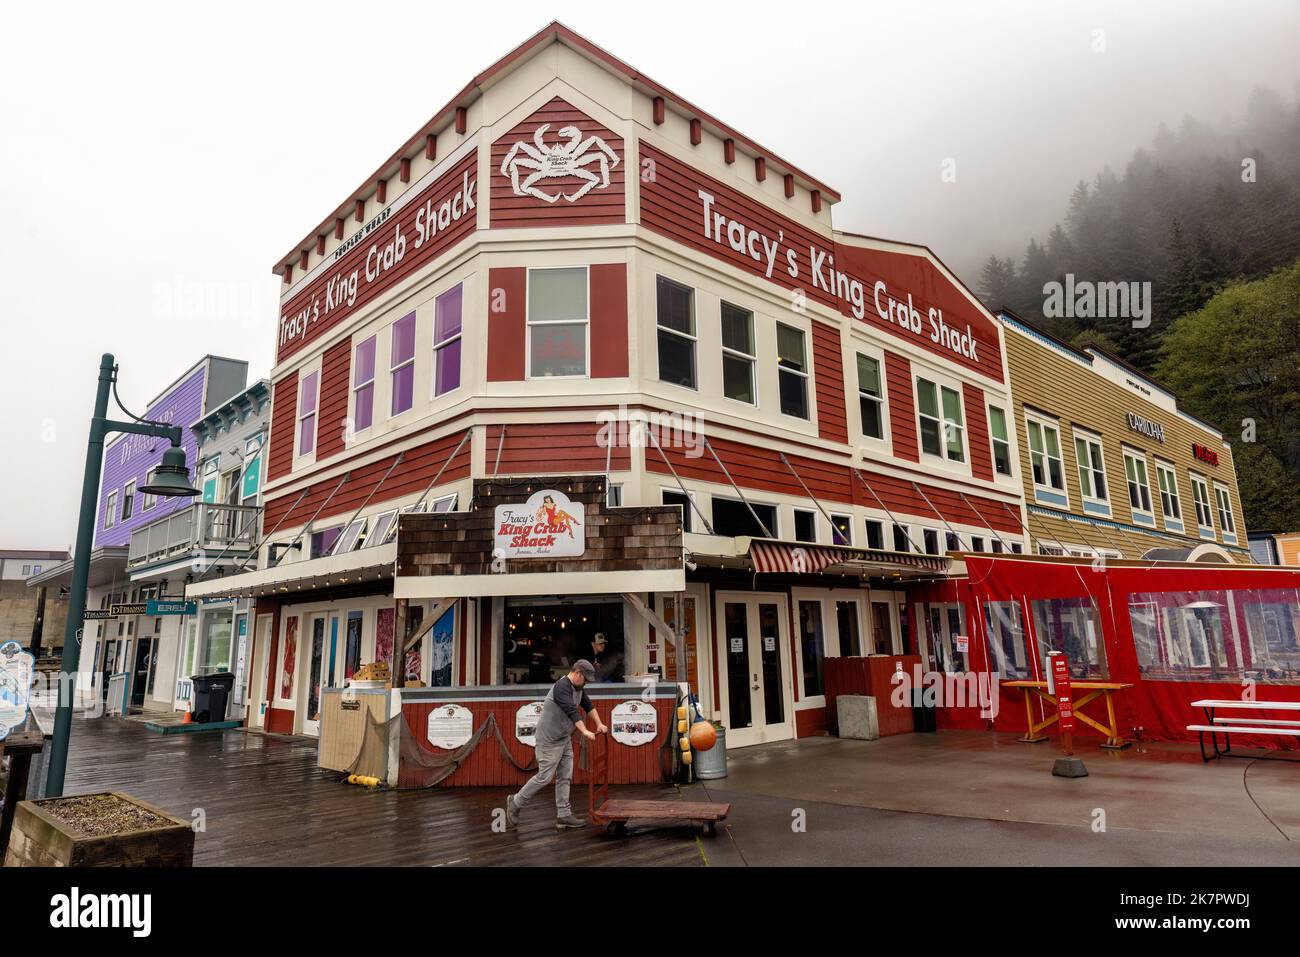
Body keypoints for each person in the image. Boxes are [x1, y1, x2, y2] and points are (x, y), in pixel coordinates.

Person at [506, 660, 607, 829]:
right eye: (586, 679)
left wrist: (599, 724)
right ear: (578, 674)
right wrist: (584, 731)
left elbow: (588, 706)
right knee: (544, 777)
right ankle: (515, 802)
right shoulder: (562, 688)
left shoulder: (579, 688)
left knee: (565, 776)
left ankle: (564, 815)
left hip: (563, 738)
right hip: (548, 740)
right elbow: (571, 711)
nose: (587, 683)